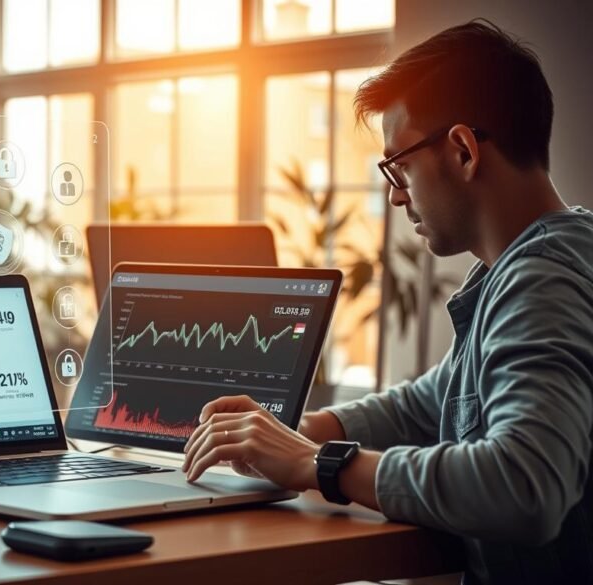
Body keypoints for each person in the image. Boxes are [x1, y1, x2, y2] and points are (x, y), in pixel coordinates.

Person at [182, 19, 593, 584]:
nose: (396, 196)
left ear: (464, 151)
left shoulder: (542, 278)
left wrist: (313, 463)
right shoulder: (525, 267)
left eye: (398, 167)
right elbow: (423, 408)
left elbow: (524, 485)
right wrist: (295, 432)